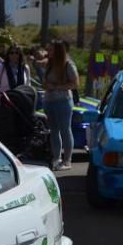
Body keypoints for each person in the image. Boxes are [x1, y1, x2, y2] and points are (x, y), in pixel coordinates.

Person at [43, 39, 79, 171]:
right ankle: (56, 158)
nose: (48, 52)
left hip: (63, 101)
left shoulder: (68, 64)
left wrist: (57, 86)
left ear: (58, 51)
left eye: (51, 49)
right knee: (53, 131)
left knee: (65, 129)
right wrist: (46, 85)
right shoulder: (50, 64)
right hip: (49, 100)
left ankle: (67, 160)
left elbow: (75, 83)